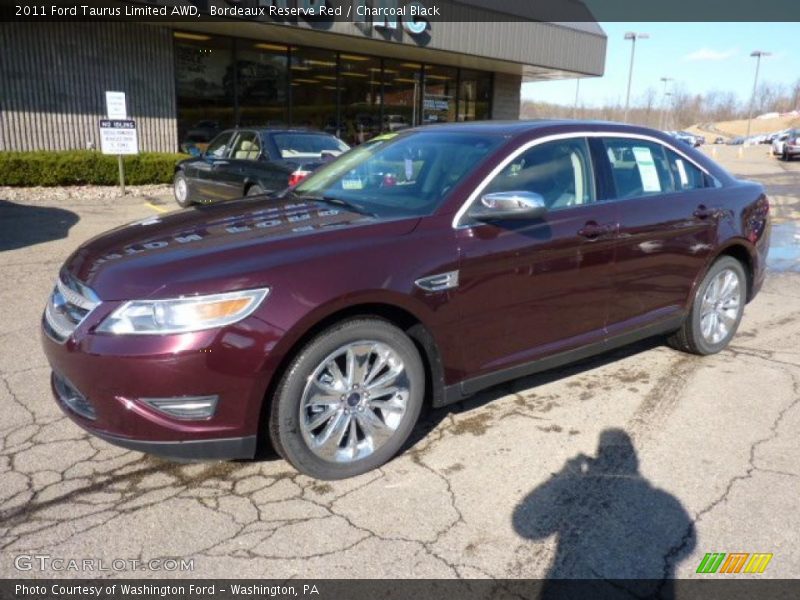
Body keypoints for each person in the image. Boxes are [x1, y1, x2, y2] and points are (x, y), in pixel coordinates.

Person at [512, 428, 695, 599]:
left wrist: (564, 475)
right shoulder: (665, 501)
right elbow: (686, 544)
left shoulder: (662, 501)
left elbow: (526, 527)